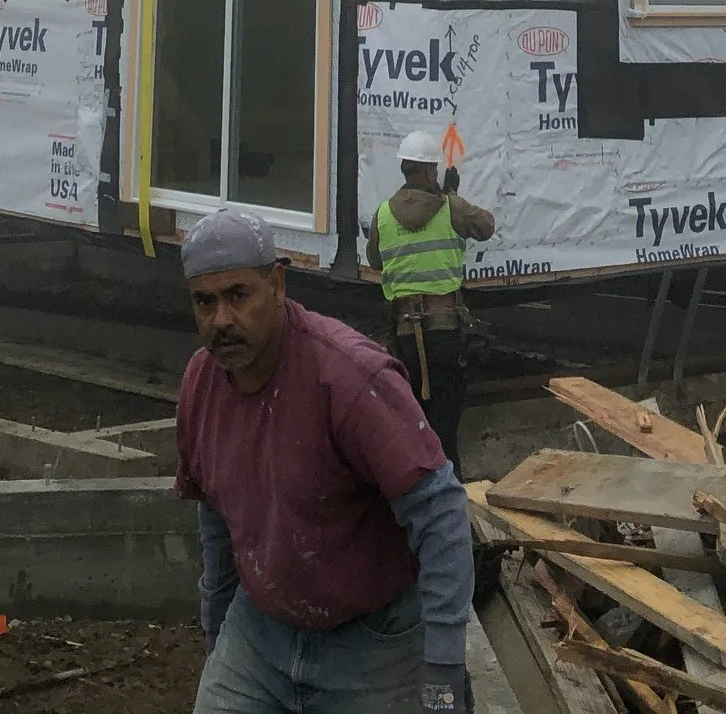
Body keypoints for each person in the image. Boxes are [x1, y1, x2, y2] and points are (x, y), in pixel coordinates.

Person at [175, 205, 475, 714]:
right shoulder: (200, 385)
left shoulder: (348, 377)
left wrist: (443, 666)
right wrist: (217, 633)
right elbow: (216, 519)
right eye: (204, 302)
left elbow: (441, 512)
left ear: (277, 284)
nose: (221, 319)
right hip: (261, 634)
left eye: (238, 295)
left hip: (373, 642)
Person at [365, 129, 496, 475]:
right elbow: (486, 226)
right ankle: (451, 490)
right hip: (445, 332)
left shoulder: (382, 215)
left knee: (414, 419)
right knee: (446, 420)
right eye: (433, 170)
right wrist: (451, 194)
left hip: (405, 335)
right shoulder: (451, 207)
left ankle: (419, 488)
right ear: (427, 172)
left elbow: (376, 261)